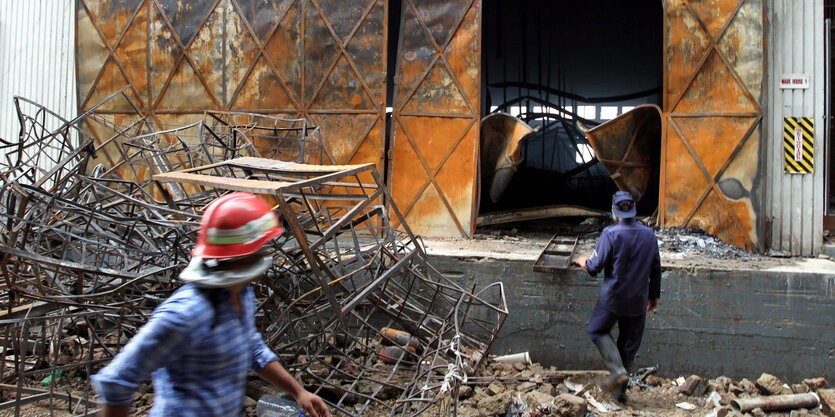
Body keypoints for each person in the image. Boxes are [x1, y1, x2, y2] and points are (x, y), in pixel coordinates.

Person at [91, 192, 332, 417]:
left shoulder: (241, 294)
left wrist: (298, 392)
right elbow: (117, 380)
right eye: (261, 248)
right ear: (243, 256)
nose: (267, 253)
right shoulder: (187, 313)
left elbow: (252, 350)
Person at [576, 190, 661, 402]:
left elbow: (595, 267)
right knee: (629, 344)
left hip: (613, 298)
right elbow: (656, 268)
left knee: (597, 330)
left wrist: (583, 261)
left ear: (614, 211)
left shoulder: (610, 233)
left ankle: (617, 371)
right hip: (638, 299)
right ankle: (620, 394)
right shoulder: (649, 235)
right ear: (634, 209)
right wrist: (653, 296)